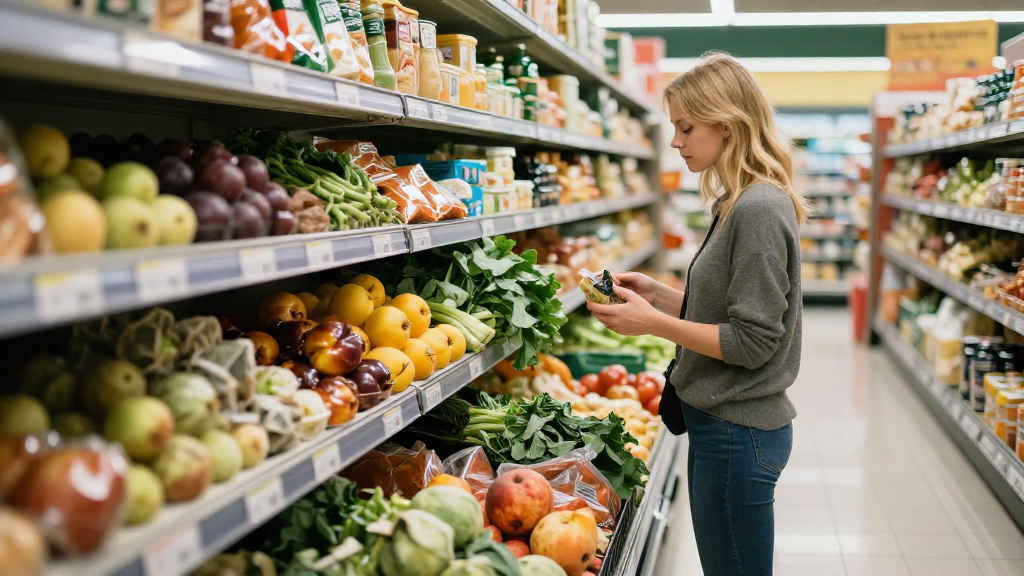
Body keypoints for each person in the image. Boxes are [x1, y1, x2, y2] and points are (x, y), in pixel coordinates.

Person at [587, 52, 807, 576]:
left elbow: (754, 342)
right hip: (724, 425)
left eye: (686, 127)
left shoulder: (757, 208)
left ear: (727, 126)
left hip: (738, 431)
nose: (676, 141)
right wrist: (661, 297)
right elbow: (729, 311)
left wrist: (653, 324)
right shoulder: (737, 202)